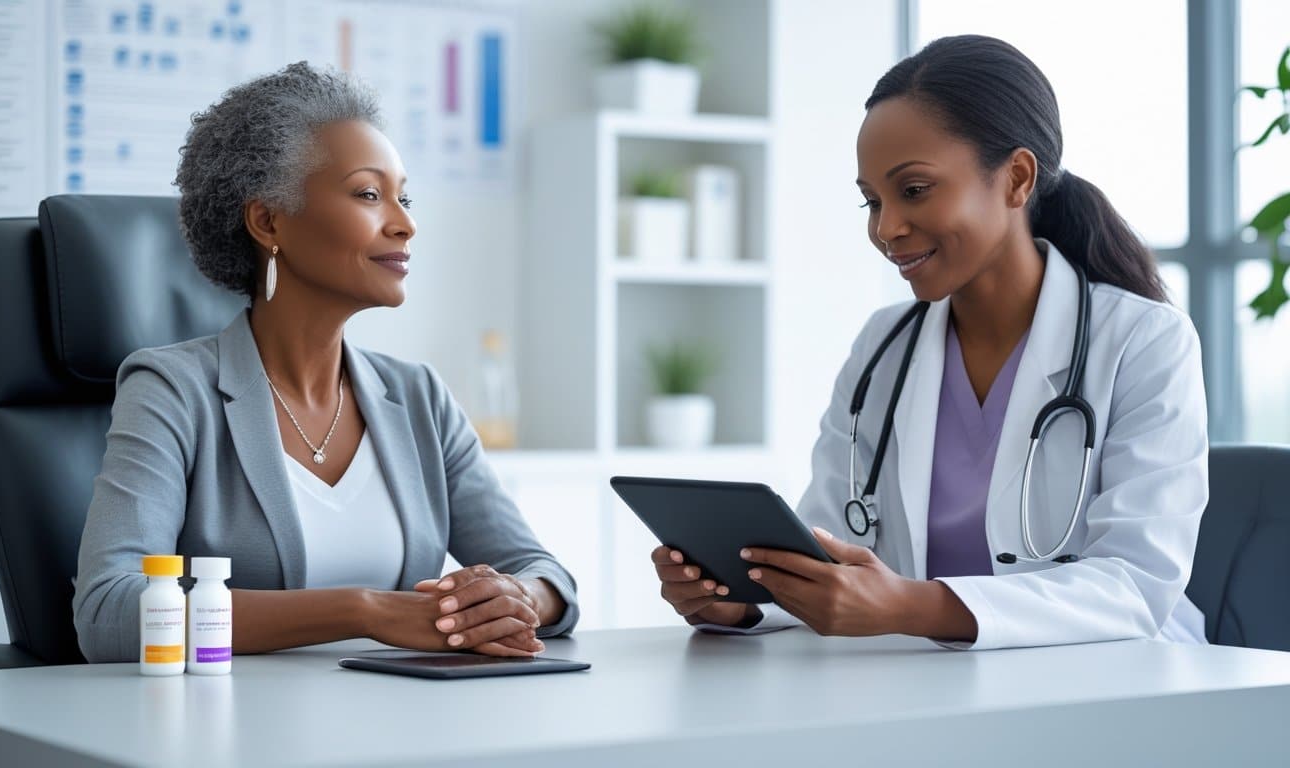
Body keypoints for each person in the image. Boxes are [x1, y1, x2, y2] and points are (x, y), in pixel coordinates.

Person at [652, 35, 1208, 649]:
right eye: (872, 201)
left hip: (1125, 687)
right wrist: (749, 600)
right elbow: (830, 546)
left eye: (913, 190)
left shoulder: (1144, 341)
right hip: (933, 685)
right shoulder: (882, 347)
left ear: (1017, 178)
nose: (887, 228)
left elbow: (1135, 586)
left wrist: (914, 605)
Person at [73, 62, 578, 662]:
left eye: (404, 196)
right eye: (369, 194)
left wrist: (514, 596)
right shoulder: (172, 389)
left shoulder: (418, 396)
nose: (406, 222)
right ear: (268, 221)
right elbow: (109, 610)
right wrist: (362, 612)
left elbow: (545, 573)